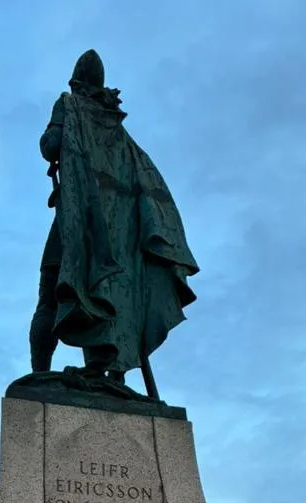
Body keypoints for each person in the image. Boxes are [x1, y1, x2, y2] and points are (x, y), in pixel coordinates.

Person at [28, 50, 198, 389]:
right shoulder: (118, 129)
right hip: (118, 232)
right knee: (106, 291)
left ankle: (39, 375)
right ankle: (112, 375)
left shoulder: (69, 104)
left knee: (51, 290)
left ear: (75, 82)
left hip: (76, 221)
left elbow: (51, 146)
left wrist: (54, 133)